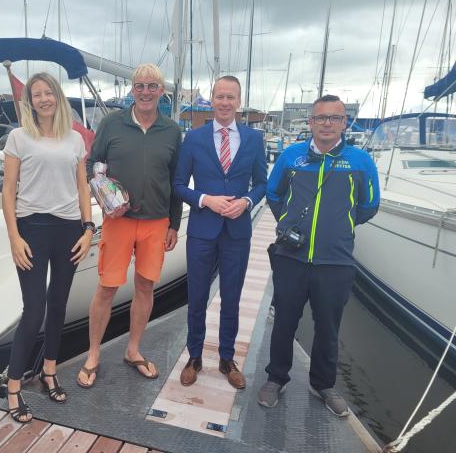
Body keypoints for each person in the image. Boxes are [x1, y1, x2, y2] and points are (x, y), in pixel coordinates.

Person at [257, 94, 380, 416]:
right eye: (321, 117)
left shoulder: (360, 161)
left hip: (335, 260)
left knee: (328, 327)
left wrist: (341, 225)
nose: (327, 123)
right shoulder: (292, 157)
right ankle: (276, 377)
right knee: (284, 321)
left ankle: (323, 384)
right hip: (290, 257)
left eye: (335, 118)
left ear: (344, 123)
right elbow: (273, 193)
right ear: (310, 122)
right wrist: (288, 222)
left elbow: (369, 206)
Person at [77, 63, 182, 387]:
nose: (146, 92)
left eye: (153, 86)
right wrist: (106, 194)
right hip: (118, 221)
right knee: (107, 287)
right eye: (140, 86)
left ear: (161, 91)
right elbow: (92, 164)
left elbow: (176, 180)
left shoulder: (171, 131)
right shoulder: (112, 124)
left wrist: (174, 224)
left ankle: (133, 350)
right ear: (132, 91)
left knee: (145, 286)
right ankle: (93, 354)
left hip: (156, 221)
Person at [2, 72, 93, 422]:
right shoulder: (18, 138)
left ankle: (49, 372)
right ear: (30, 102)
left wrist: (88, 229)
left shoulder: (74, 140)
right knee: (34, 311)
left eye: (48, 93)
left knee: (58, 305)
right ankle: (13, 388)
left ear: (57, 96)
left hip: (69, 229)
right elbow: (8, 190)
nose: (43, 99)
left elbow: (82, 187)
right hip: (32, 229)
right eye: (36, 94)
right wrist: (14, 237)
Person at [173, 75, 267, 389]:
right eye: (220, 96)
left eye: (231, 97)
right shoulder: (194, 139)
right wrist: (205, 199)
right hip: (202, 229)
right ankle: (195, 356)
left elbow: (262, 183)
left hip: (237, 231)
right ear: (211, 100)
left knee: (232, 297)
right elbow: (178, 185)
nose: (225, 102)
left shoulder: (253, 139)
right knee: (196, 296)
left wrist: (247, 201)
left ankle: (227, 359)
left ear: (238, 101)